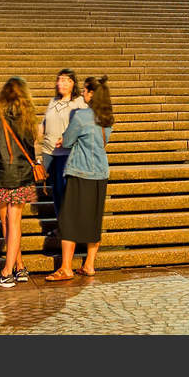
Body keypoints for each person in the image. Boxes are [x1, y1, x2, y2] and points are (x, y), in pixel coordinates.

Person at [46, 76, 113, 281]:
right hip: (100, 172)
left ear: (92, 94)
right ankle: (89, 265)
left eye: (85, 90)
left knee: (69, 219)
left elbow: (68, 139)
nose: (82, 93)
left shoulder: (82, 116)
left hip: (81, 171)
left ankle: (66, 267)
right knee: (93, 219)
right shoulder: (107, 118)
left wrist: (61, 141)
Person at [0, 76, 39, 287]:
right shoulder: (28, 116)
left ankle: (7, 272)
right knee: (14, 222)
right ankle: (19, 266)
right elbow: (31, 147)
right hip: (22, 175)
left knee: (6, 222)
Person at [37, 69, 83, 217]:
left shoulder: (79, 102)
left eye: (64, 80)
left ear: (72, 83)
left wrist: (69, 137)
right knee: (55, 190)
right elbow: (45, 122)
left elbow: (85, 124)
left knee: (65, 189)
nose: (60, 83)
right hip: (49, 152)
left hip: (67, 152)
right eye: (59, 80)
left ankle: (70, 225)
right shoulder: (53, 101)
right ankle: (61, 223)